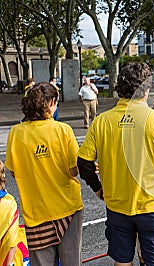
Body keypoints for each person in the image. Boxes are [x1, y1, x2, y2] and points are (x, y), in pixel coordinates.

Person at [77, 62, 154, 266]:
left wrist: (98, 189)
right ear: (146, 89)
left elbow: (84, 163)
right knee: (153, 260)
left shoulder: (102, 121)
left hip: (117, 204)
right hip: (152, 205)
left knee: (123, 260)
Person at [5, 82, 83, 265]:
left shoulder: (15, 133)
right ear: (50, 103)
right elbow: (74, 170)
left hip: (36, 211)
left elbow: (14, 171)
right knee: (71, 260)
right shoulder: (63, 130)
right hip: (67, 207)